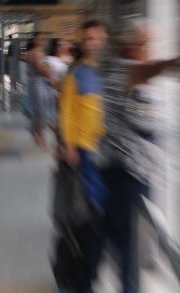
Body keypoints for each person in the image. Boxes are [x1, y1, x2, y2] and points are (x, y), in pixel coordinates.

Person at [93, 18, 180, 293]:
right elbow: (143, 73)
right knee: (126, 245)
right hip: (125, 173)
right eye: (144, 43)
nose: (149, 48)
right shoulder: (124, 73)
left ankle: (83, 280)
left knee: (112, 236)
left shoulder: (124, 73)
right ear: (128, 47)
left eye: (150, 43)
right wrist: (176, 62)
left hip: (130, 171)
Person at [58, 20, 110, 291]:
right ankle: (83, 277)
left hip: (109, 154)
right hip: (85, 152)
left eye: (97, 37)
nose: (93, 42)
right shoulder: (76, 73)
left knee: (99, 216)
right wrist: (68, 145)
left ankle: (88, 272)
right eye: (89, 38)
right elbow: (66, 111)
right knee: (92, 215)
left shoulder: (109, 71)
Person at [27, 32, 56, 150]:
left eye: (44, 38)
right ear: (35, 40)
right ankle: (40, 137)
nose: (44, 40)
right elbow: (40, 68)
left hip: (38, 82)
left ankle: (37, 135)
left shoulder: (38, 52)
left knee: (39, 110)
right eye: (41, 39)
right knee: (40, 110)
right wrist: (50, 75)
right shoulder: (36, 52)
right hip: (38, 83)